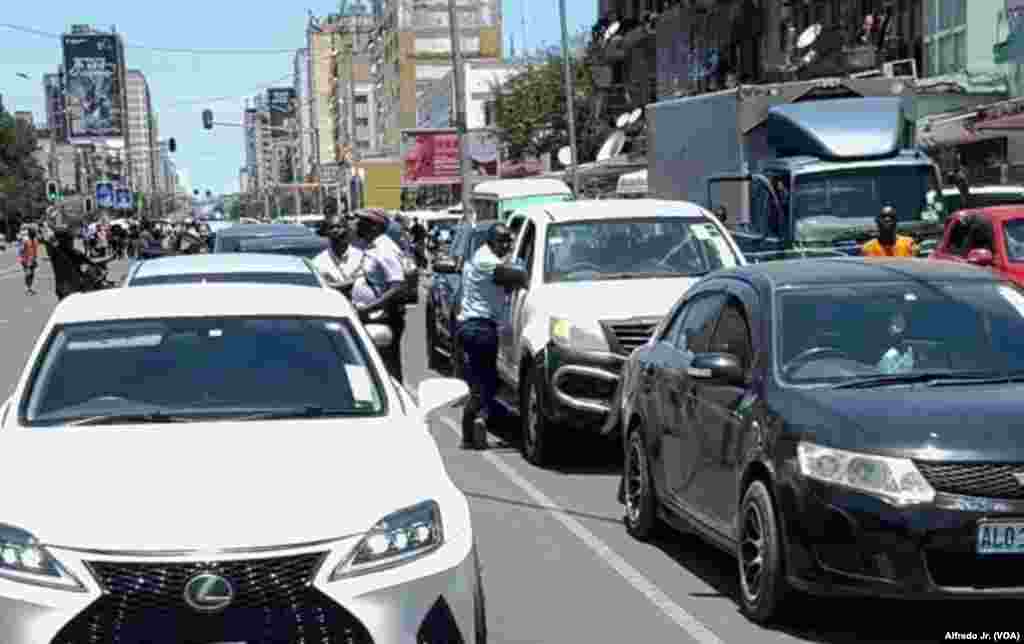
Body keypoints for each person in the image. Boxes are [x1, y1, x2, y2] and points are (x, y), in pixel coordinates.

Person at [455, 222, 516, 450]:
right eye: (501, 240)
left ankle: (475, 427)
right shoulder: (486, 260)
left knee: (482, 383)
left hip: (473, 328)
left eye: (509, 240)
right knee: (485, 386)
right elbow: (514, 276)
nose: (506, 245)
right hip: (480, 329)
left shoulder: (482, 257)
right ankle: (474, 428)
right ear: (490, 241)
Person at [350, 209, 409, 383]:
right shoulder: (372, 246)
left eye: (361, 222)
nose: (356, 225)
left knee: (387, 371)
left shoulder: (385, 249)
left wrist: (369, 308)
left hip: (381, 319)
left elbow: (398, 286)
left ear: (374, 226)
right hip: (371, 317)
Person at [43, 226, 102, 300]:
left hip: (61, 288)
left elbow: (48, 241)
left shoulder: (55, 252)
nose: (72, 241)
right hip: (73, 287)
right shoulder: (70, 252)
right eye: (70, 239)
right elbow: (89, 262)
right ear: (65, 240)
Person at [18, 227, 39, 295]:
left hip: (32, 260)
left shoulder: (35, 240)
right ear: (29, 233)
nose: (34, 234)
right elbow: (21, 250)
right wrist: (22, 259)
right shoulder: (25, 240)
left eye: (34, 233)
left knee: (32, 274)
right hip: (25, 260)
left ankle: (30, 288)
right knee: (28, 274)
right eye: (32, 233)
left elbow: (35, 250)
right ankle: (27, 289)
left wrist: (35, 259)